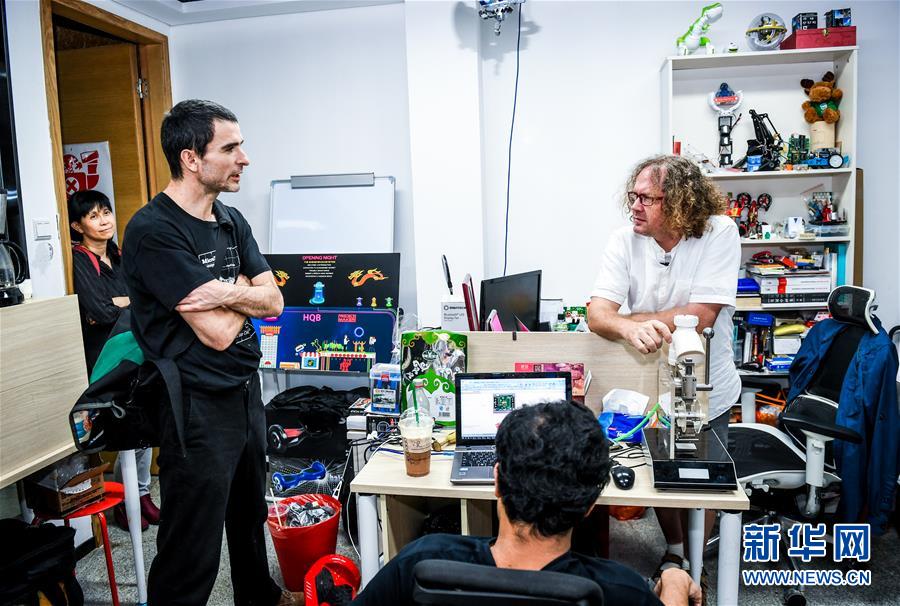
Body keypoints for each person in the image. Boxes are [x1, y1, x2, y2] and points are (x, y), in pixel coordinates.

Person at [122, 99, 293, 605]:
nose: (244, 158)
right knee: (192, 542)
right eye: (230, 147)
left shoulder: (229, 218)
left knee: (248, 515)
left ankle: (259, 597)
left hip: (244, 390)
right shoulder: (153, 231)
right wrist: (244, 289)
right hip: (193, 403)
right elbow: (217, 332)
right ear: (191, 158)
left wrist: (223, 290)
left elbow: (276, 300)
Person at [352, 401, 701, 606]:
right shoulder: (621, 590)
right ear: (590, 505)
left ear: (497, 481)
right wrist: (673, 583)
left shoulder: (421, 560)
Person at [587, 155, 741, 591]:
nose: (634, 206)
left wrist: (628, 318)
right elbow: (597, 314)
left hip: (706, 380)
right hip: (649, 379)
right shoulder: (624, 240)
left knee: (701, 479)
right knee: (660, 470)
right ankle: (675, 550)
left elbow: (702, 315)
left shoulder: (719, 232)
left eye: (647, 198)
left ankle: (696, 562)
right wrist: (627, 326)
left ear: (678, 203)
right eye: (632, 196)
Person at [67, 190, 159, 532]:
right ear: (78, 226)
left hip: (135, 349)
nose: (104, 220)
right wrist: (124, 303)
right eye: (93, 216)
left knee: (143, 424)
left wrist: (122, 302)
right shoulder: (80, 260)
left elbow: (144, 298)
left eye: (106, 212)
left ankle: (142, 494)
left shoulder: (119, 256)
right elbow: (100, 311)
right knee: (123, 429)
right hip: (105, 357)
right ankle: (125, 501)